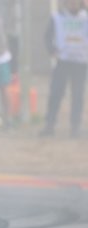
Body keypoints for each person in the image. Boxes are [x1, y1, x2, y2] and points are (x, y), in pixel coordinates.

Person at [40, 0, 88, 137]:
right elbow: (47, 36)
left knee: (77, 95)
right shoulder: (57, 17)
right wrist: (52, 51)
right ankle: (49, 125)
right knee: (56, 93)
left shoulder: (85, 17)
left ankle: (75, 127)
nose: (73, 4)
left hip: (81, 62)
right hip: (63, 61)